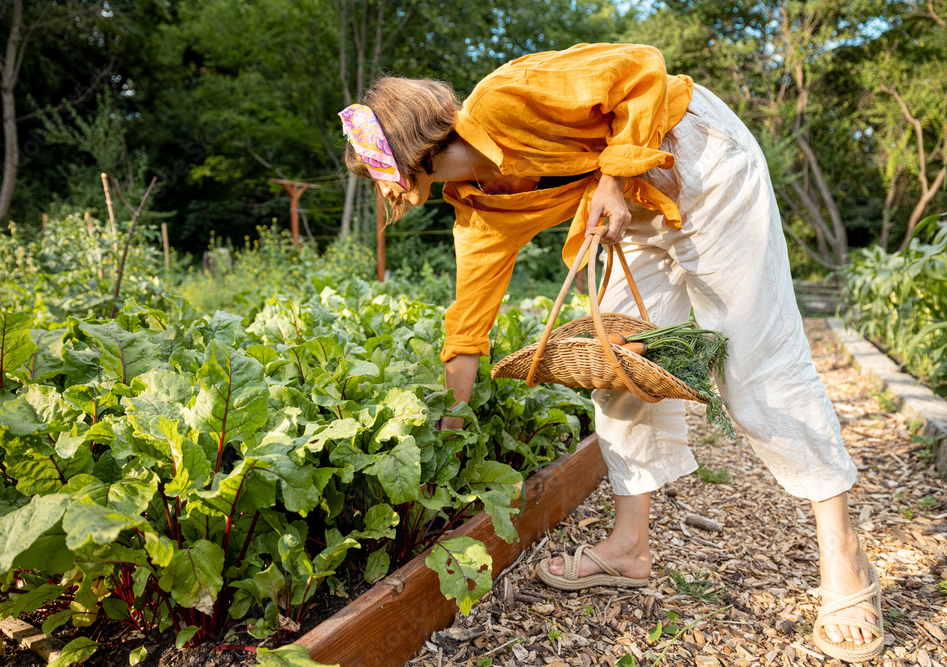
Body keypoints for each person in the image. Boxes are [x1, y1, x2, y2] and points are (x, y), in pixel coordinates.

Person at [339, 43, 882, 663]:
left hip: (697, 161)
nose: (389, 195)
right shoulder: (479, 209)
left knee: (756, 359)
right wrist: (452, 424)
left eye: (378, 175)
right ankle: (629, 546)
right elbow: (468, 327)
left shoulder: (504, 98)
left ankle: (844, 557)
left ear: (405, 153)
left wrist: (614, 177)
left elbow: (641, 68)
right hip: (625, 206)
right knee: (618, 363)